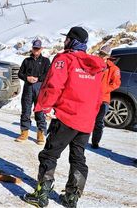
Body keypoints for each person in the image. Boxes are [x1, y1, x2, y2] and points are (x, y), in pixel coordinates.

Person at [23, 27, 106, 208]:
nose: (64, 41)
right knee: (78, 157)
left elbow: (54, 86)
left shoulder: (64, 60)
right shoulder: (96, 66)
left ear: (72, 41)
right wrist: (91, 116)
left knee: (49, 154)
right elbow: (99, 96)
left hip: (67, 117)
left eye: (67, 38)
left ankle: (42, 194)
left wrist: (44, 106)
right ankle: (71, 198)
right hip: (86, 121)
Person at [16, 39, 51, 145]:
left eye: (38, 48)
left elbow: (48, 74)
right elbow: (20, 73)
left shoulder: (45, 61)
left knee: (39, 111)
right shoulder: (26, 61)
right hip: (28, 87)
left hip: (39, 88)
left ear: (41, 49)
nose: (36, 50)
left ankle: (41, 134)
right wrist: (27, 78)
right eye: (34, 48)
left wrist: (38, 78)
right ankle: (24, 132)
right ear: (32, 48)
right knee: (26, 111)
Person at [91, 45, 121, 149]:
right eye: (101, 53)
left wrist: (103, 90)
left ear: (108, 56)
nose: (102, 56)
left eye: (104, 54)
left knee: (99, 121)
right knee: (87, 118)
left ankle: (95, 142)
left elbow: (116, 83)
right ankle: (80, 139)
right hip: (91, 97)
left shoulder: (113, 68)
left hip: (103, 99)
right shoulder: (93, 64)